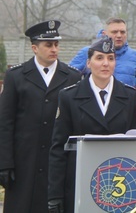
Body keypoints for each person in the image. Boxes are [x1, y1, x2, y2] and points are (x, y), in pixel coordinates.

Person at [47, 36, 136, 213]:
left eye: (111, 58)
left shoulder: (130, 97)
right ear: (89, 63)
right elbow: (58, 148)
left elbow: (133, 147)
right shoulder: (69, 97)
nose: (106, 63)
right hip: (79, 182)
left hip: (116, 183)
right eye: (99, 58)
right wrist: (55, 194)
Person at [0, 21, 82, 213]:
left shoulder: (72, 77)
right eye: (48, 45)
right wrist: (4, 163)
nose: (54, 49)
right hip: (24, 162)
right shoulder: (16, 76)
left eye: (56, 44)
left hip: (57, 161)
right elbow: (5, 122)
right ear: (34, 48)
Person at [69, 18, 136, 118]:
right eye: (114, 32)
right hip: (92, 114)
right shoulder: (88, 52)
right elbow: (68, 77)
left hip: (124, 115)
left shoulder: (134, 56)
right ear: (105, 33)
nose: (119, 35)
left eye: (122, 32)